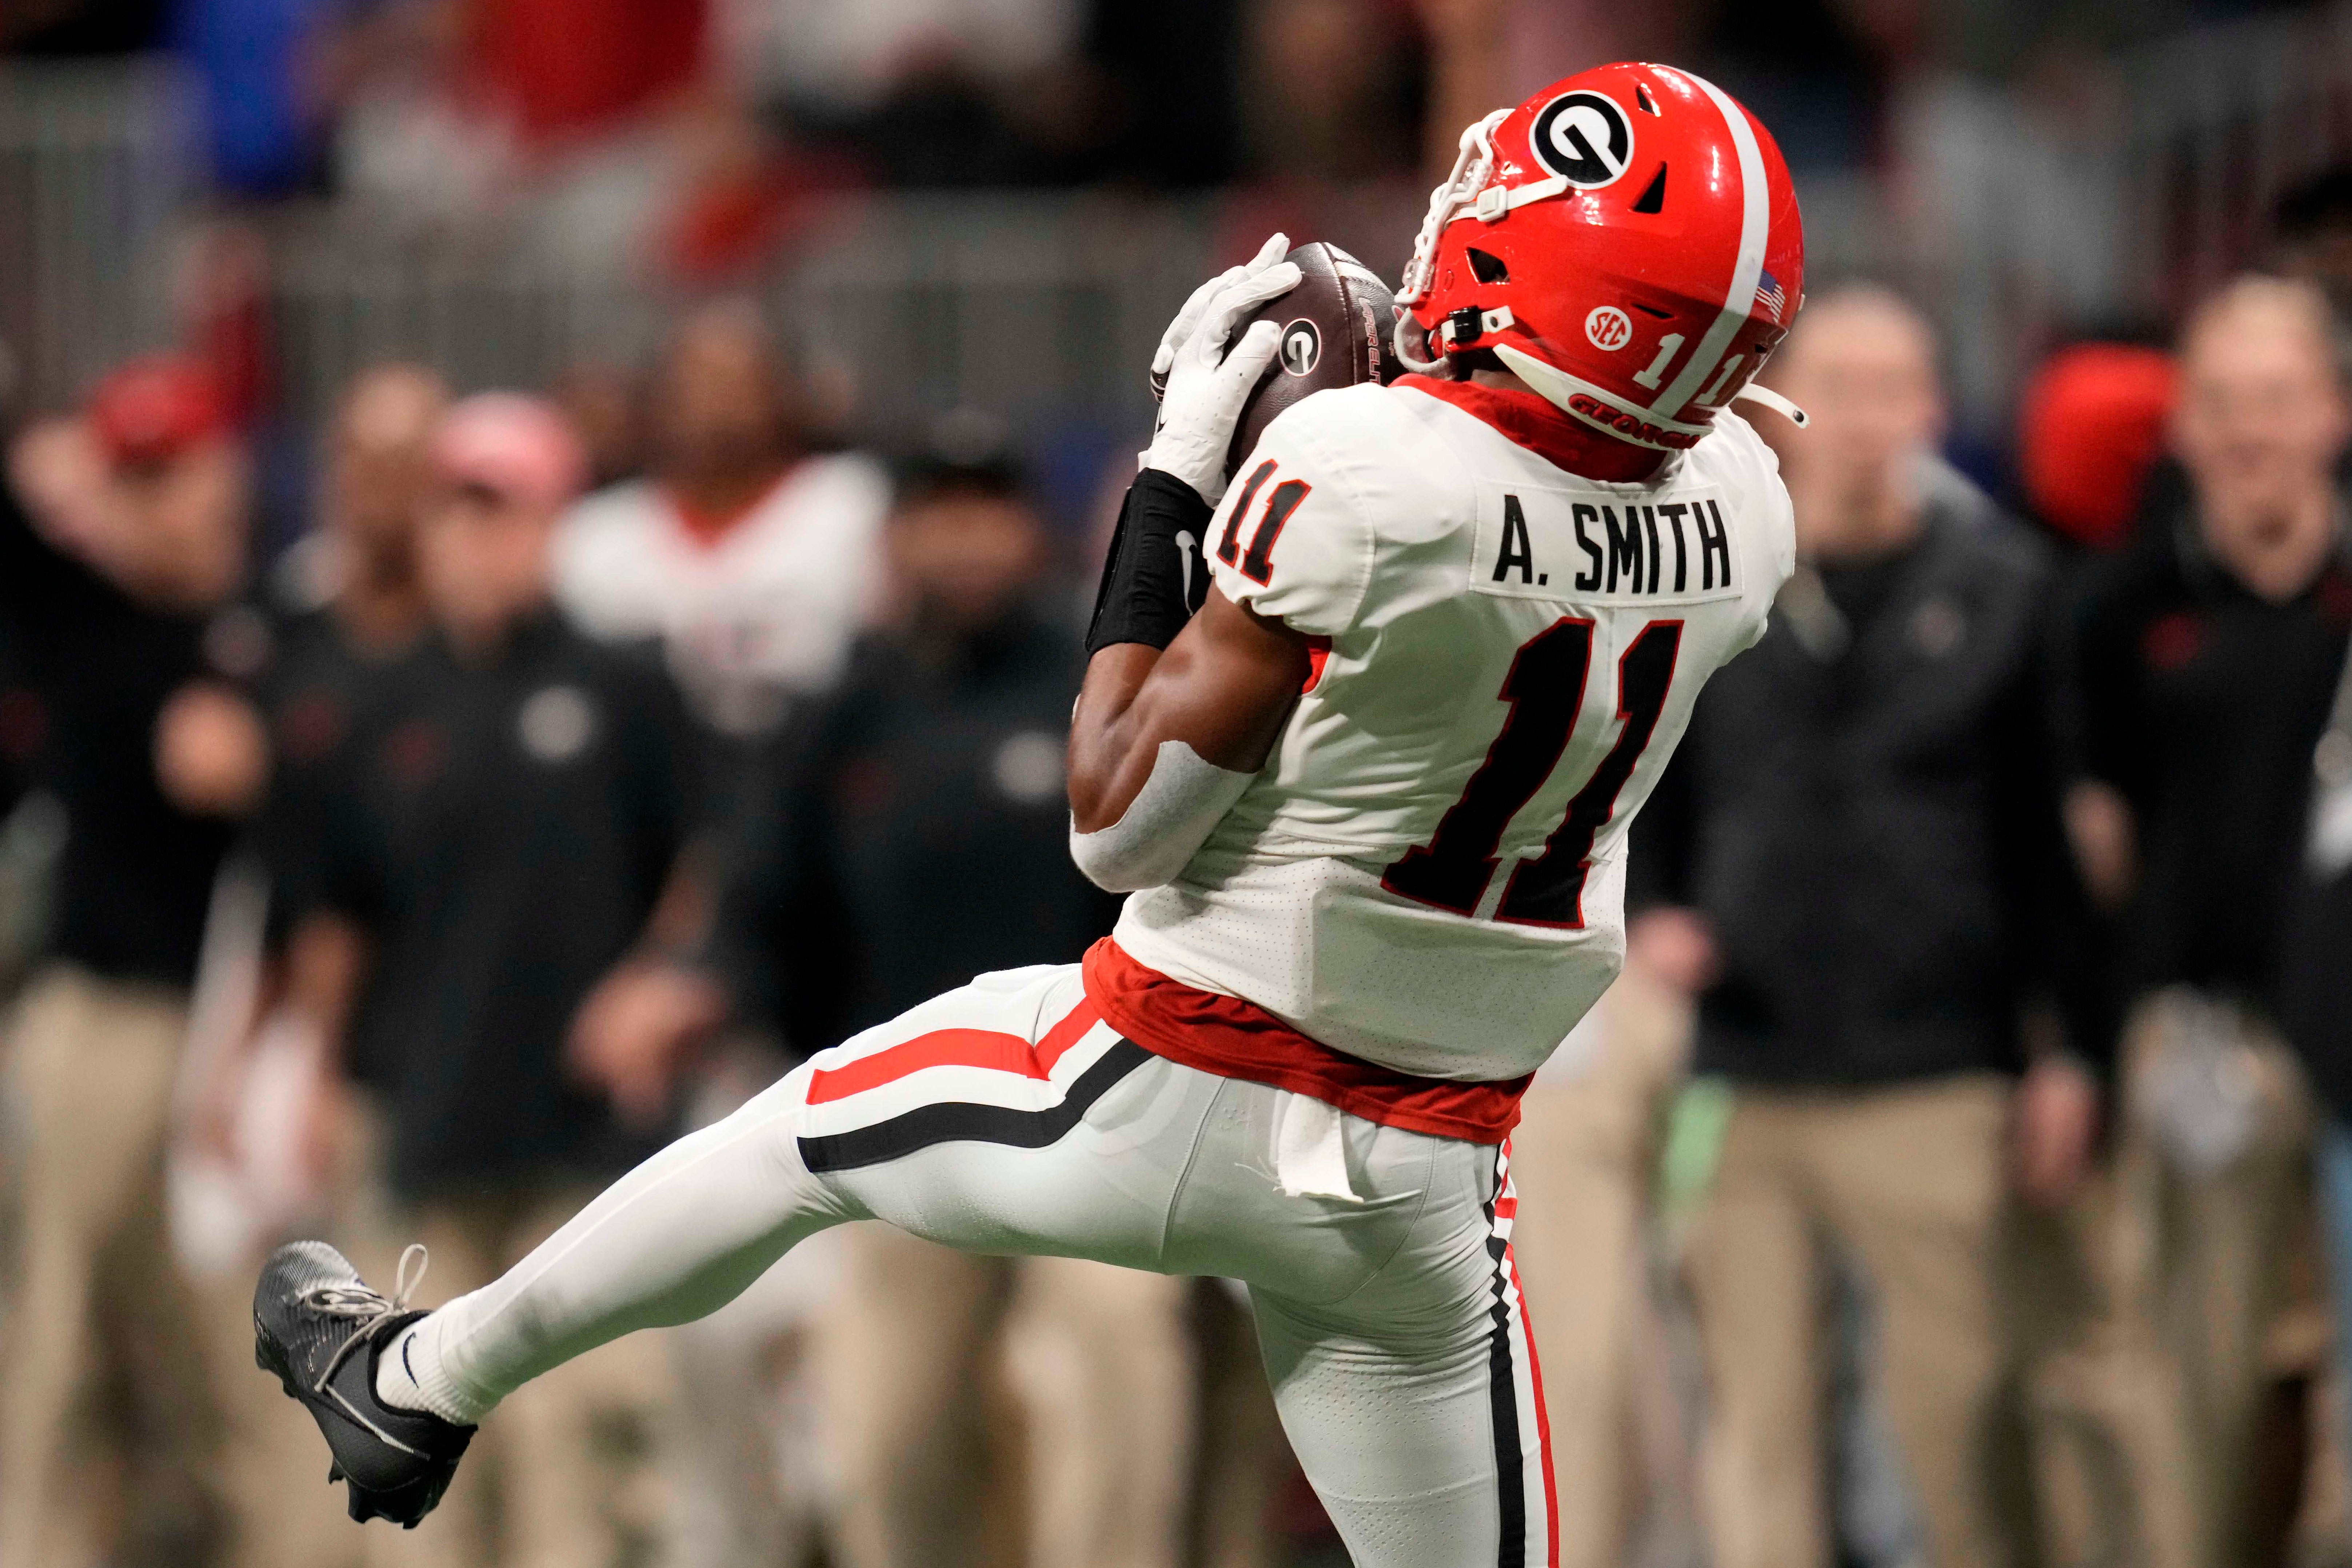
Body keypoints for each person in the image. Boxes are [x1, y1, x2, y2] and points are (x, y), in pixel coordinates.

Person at [254, 63, 1806, 1567]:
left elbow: (1117, 821)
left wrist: (1182, 471)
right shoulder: (1741, 514)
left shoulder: (1365, 472)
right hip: (1428, 1174)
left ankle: (412, 1380)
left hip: (1179, 1070)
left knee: (790, 1143)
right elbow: (1554, 490)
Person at [576, 437, 1197, 1568]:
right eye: (938, 510)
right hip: (916, 1122)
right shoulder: (849, 707)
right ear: (897, 535)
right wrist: (695, 987)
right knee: (886, 1435)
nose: (965, 537)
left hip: (1103, 1114)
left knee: (1109, 1369)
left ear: (1033, 530)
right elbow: (765, 895)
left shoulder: (1099, 677)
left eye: (989, 507)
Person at [1628, 287, 2113, 1568]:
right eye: (1828, 384)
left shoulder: (2003, 588)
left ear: (1932, 411)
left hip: (1934, 1068)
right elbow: (1648, 776)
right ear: (1778, 409)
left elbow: (2038, 838)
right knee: (1758, 1432)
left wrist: (2066, 1045)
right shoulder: (1710, 578)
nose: (1854, 416)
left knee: (1956, 1420)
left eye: (1886, 386)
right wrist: (1657, 908)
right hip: (1744, 1069)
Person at [285, 393, 700, 1568]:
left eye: (504, 512)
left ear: (551, 524)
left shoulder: (624, 686)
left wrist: (657, 979)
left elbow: (708, 856)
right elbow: (337, 913)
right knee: (416, 1454)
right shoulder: (377, 704)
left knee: (585, 1452)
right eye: (458, 512)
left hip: (583, 1146)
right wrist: (315, 1080)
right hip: (423, 1124)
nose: (479, 539)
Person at [2072, 275, 2352, 1568]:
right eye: (2223, 401)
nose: (2251, 429)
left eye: (2277, 397)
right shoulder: (2119, 607)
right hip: (2198, 1032)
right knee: (2192, 1375)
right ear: (2180, 424)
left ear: (2331, 411)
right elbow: (2092, 838)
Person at [0, 354, 267, 1568]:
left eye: (184, 470)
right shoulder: (78, 619)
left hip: (249, 1035)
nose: (169, 501)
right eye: (138, 477)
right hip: (102, 1021)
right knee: (61, 1325)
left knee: (233, 1342)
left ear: (232, 473)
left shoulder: (275, 626)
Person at [554, 298, 887, 750]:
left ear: (784, 392)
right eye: (697, 384)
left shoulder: (853, 506)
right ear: (657, 398)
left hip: (817, 761)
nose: (718, 405)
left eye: (738, 383)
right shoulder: (596, 533)